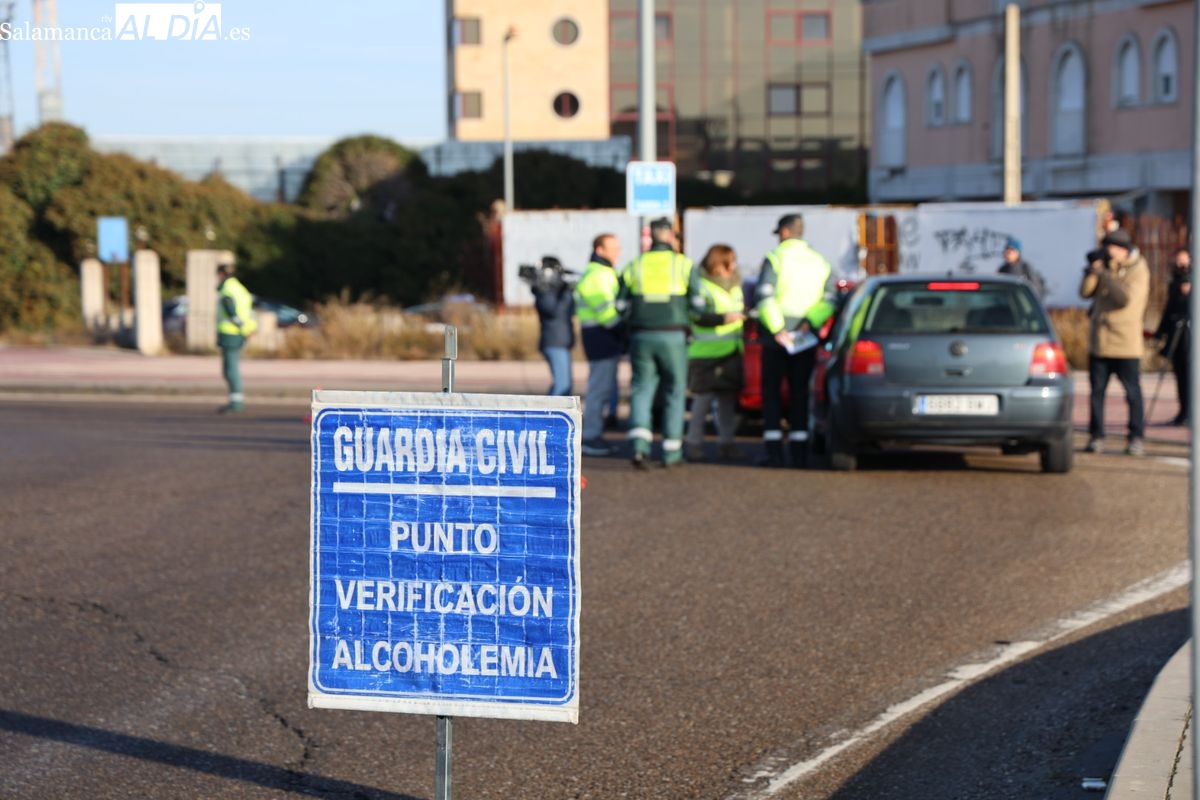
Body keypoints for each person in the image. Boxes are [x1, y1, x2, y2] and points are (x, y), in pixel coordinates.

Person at [618, 217, 702, 469]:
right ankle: (671, 451)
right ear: (672, 236)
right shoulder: (683, 264)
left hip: (641, 335)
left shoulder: (635, 264)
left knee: (642, 390)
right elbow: (698, 305)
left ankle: (639, 448)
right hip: (673, 336)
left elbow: (621, 305)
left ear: (651, 236)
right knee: (675, 391)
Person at [755, 213, 835, 468]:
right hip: (804, 337)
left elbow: (764, 297)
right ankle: (800, 452)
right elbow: (830, 300)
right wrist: (808, 323)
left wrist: (778, 329)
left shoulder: (775, 258)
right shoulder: (819, 261)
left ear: (785, 232)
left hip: (776, 339)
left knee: (772, 395)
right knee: (801, 394)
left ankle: (774, 452)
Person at [1080, 228, 1151, 456]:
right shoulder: (1106, 268)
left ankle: (1136, 437)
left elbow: (1123, 299)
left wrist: (1105, 275)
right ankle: (1097, 436)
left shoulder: (1137, 269)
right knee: (1097, 393)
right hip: (1099, 342)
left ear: (1121, 249)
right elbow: (1084, 292)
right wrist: (1092, 271)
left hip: (1125, 344)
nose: (1107, 254)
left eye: (1110, 249)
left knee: (1132, 393)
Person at [685, 244, 745, 462]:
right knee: (703, 401)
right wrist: (723, 319)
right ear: (718, 263)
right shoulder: (701, 286)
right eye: (730, 261)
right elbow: (695, 316)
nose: (734, 266)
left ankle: (727, 443)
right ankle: (693, 444)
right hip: (706, 353)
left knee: (728, 401)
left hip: (731, 351)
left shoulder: (736, 285)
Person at [575, 234, 624, 455]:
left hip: (600, 336)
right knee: (599, 389)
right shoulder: (598, 275)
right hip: (601, 336)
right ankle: (591, 437)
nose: (617, 252)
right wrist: (624, 331)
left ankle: (594, 435)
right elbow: (606, 313)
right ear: (599, 250)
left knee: (602, 388)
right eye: (612, 248)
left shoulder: (601, 272)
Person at [1154, 246, 1192, 426]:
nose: (1181, 266)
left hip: (1191, 336)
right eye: (1178, 262)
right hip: (1176, 336)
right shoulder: (1174, 283)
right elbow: (1169, 308)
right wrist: (1160, 331)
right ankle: (1183, 411)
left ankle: (1192, 411)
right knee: (1180, 375)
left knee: (1192, 376)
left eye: (1184, 262)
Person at [530, 256, 576, 397]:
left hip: (560, 341)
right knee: (562, 386)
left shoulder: (553, 291)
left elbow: (570, 311)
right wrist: (565, 293)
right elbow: (554, 311)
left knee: (564, 386)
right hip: (554, 341)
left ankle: (548, 415)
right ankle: (547, 417)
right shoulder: (544, 291)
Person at [216, 263, 258, 413]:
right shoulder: (240, 289)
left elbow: (232, 312)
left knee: (230, 369)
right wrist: (250, 328)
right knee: (231, 367)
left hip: (231, 333)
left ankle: (236, 402)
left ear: (221, 274)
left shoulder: (227, 290)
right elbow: (249, 311)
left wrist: (244, 329)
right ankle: (235, 400)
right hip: (237, 333)